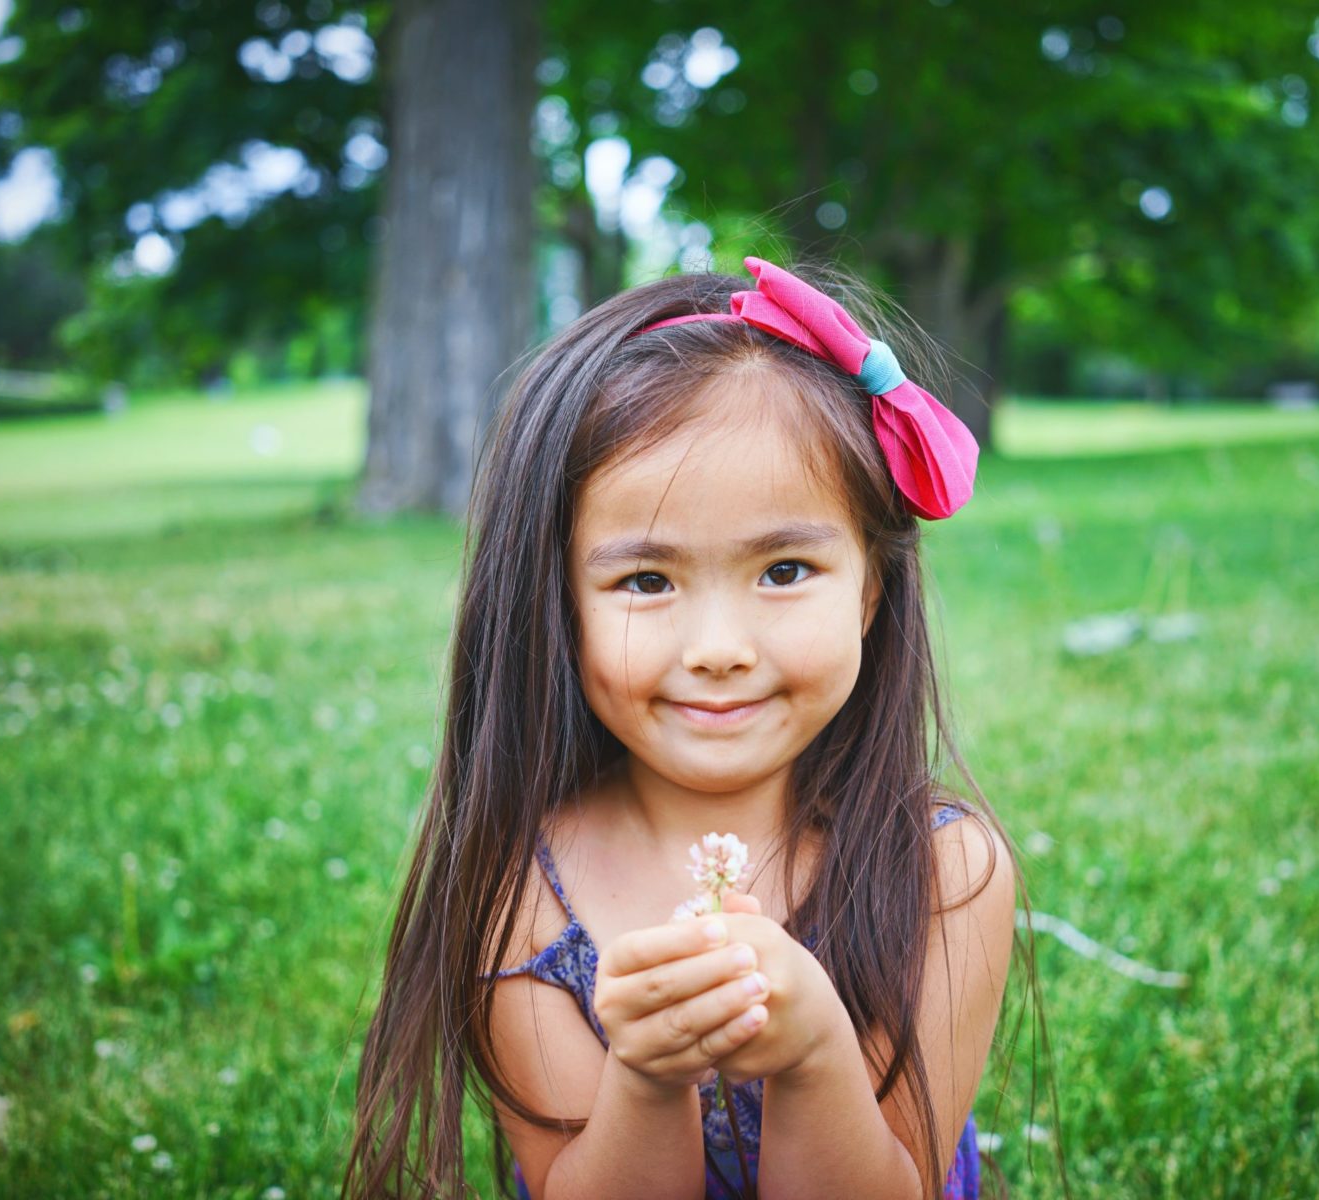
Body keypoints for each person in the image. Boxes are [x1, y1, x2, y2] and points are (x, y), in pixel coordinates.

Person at [345, 257, 1034, 1200]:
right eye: (645, 581)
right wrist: (649, 1075)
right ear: (560, 603)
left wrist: (815, 1054)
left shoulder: (945, 873)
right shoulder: (520, 887)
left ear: (873, 585)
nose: (718, 648)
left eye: (785, 569)